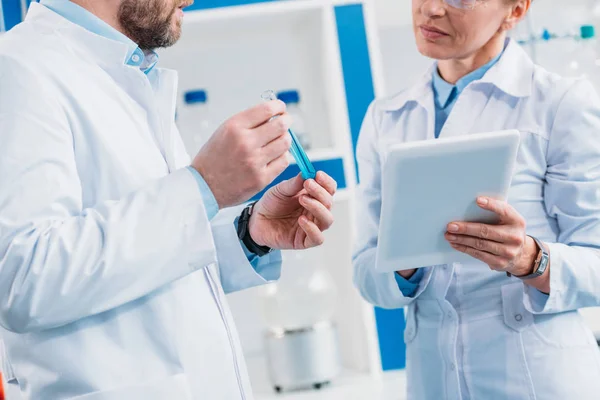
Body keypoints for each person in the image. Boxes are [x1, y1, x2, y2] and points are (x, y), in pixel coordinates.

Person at [0, 0, 337, 399]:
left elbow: (153, 265)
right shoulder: (18, 69)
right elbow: (24, 278)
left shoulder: (128, 73)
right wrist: (204, 187)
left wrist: (248, 235)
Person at [353, 0, 600, 398]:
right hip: (433, 380)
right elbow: (365, 271)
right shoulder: (386, 117)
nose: (431, 9)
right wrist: (404, 264)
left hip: (537, 377)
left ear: (515, 11)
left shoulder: (561, 104)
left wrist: (530, 259)